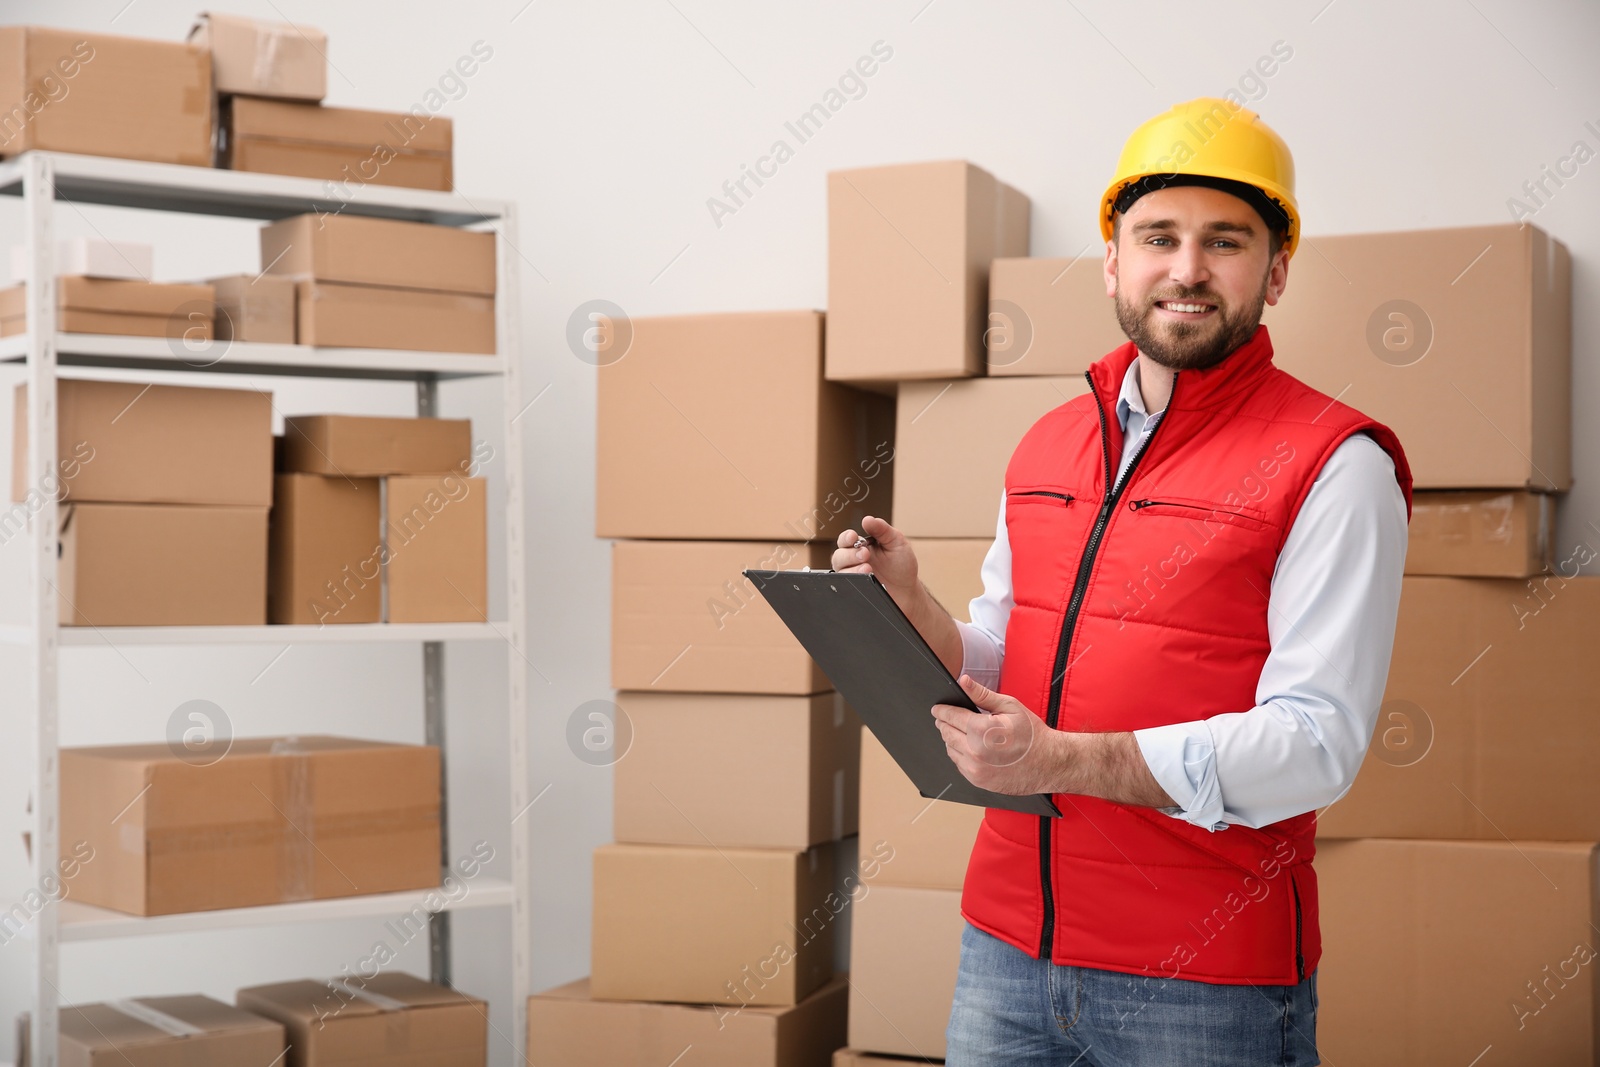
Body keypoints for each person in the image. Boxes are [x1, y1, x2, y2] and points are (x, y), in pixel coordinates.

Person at [832, 97, 1412, 1066]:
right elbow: (1005, 651)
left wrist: (1061, 759)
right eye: (1158, 237)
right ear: (1112, 260)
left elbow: (1316, 742)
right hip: (1007, 951)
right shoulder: (1048, 444)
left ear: (1274, 270)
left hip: (1203, 983)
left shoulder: (1333, 462)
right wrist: (912, 609)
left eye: (1223, 240)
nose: (1186, 268)